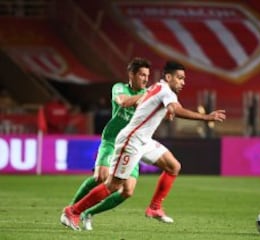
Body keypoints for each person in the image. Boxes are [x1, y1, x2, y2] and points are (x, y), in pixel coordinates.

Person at [61, 60, 226, 231]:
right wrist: (206, 118)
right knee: (112, 185)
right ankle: (72, 211)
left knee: (173, 166)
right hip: (131, 141)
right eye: (179, 78)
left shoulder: (159, 88)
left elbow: (164, 107)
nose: (183, 82)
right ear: (168, 77)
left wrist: (168, 111)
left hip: (144, 141)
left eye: (184, 79)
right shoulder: (163, 90)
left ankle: (154, 207)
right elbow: (173, 109)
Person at [60, 57, 151, 230]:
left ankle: (89, 213)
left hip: (132, 147)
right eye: (142, 75)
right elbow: (123, 102)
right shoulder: (120, 87)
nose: (146, 79)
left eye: (147, 75)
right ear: (131, 75)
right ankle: (70, 211)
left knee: (127, 191)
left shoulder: (148, 95)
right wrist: (145, 96)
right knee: (100, 177)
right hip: (112, 140)